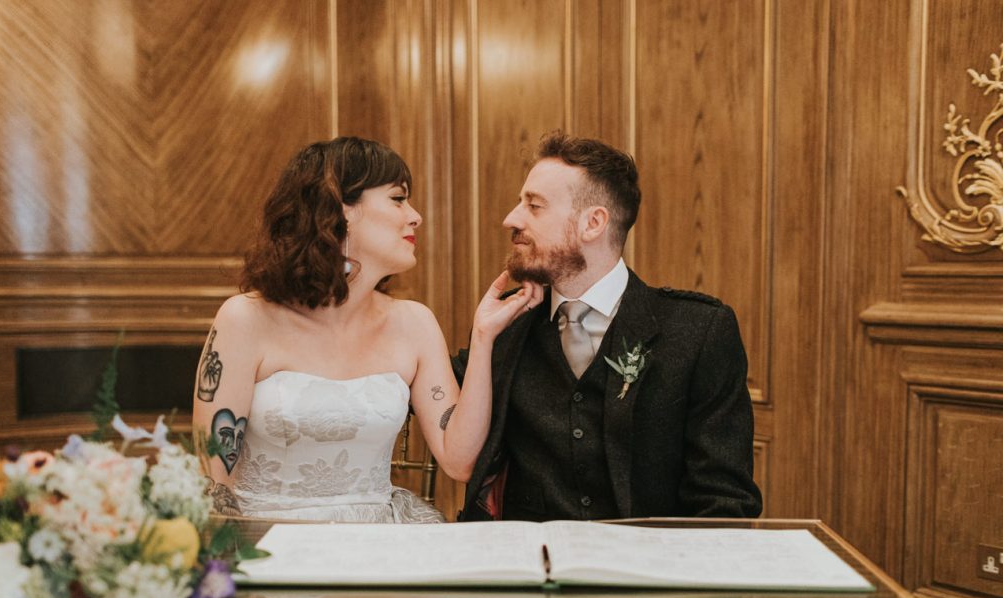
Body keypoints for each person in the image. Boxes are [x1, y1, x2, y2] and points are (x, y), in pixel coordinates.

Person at [193, 137, 540, 522]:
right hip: (268, 541)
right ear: (341, 210)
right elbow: (213, 476)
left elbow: (460, 462)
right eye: (397, 199)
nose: (415, 216)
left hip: (381, 542)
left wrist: (483, 337)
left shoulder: (415, 323)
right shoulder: (245, 319)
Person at [454, 132, 762, 522]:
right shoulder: (505, 334)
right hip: (525, 568)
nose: (510, 219)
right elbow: (409, 386)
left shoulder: (700, 332)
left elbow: (725, 503)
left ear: (593, 223)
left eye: (534, 206)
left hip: (649, 572)